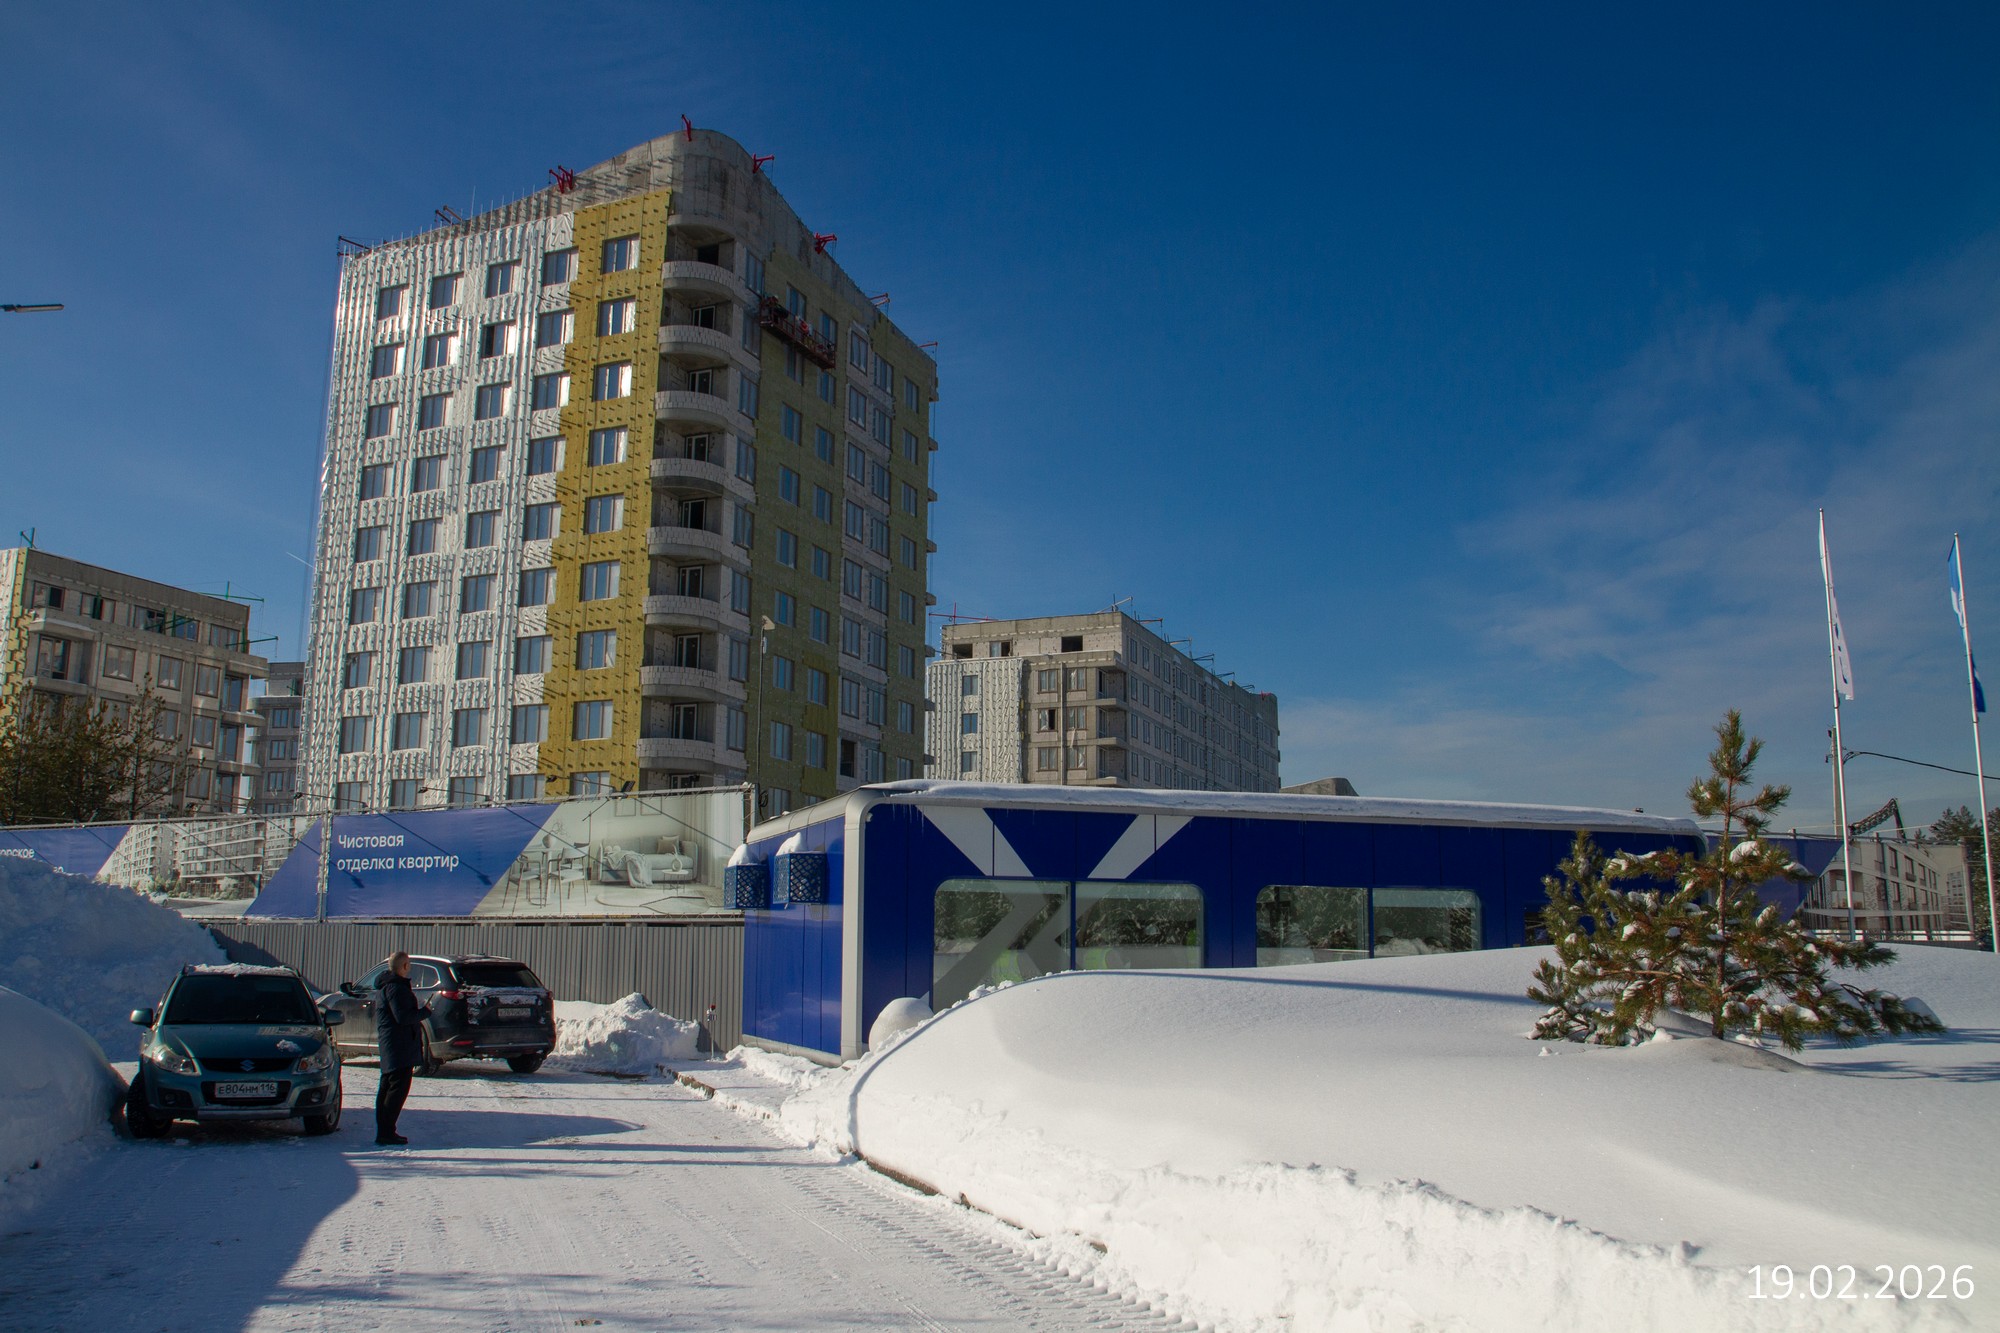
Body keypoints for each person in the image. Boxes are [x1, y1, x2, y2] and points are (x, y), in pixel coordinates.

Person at [374, 952, 431, 1146]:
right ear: (404, 966)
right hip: (398, 1045)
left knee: (388, 1086)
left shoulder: (389, 986)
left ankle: (385, 1130)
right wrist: (424, 1012)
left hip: (393, 1044)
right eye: (408, 964)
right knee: (396, 1089)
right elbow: (403, 1017)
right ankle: (386, 1132)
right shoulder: (396, 988)